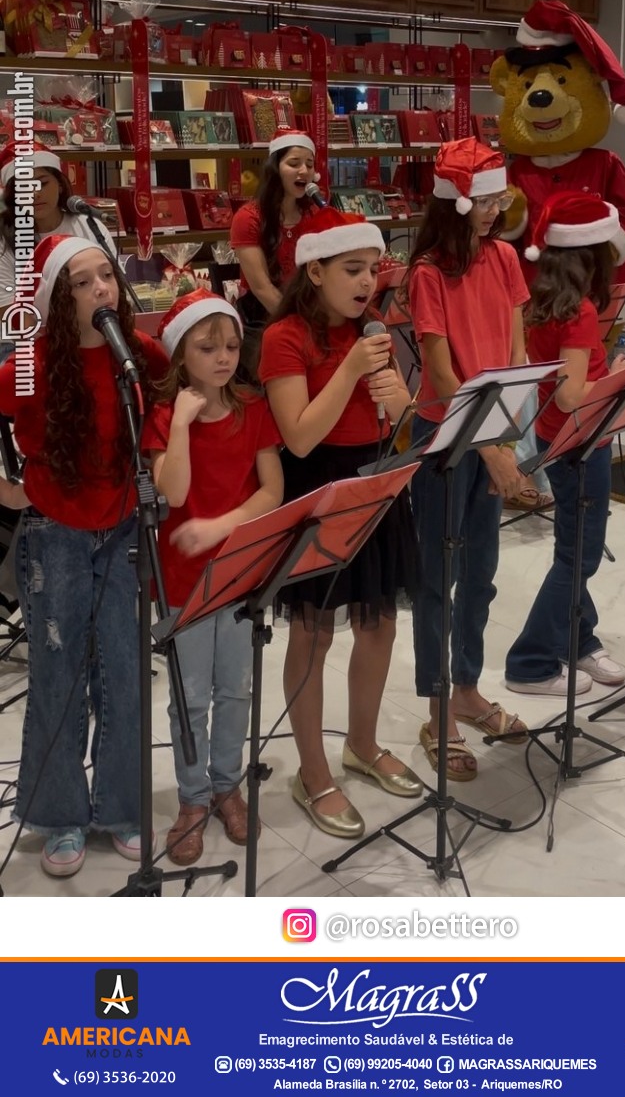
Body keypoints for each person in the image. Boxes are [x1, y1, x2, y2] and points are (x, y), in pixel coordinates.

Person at [0, 233, 167, 877]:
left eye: (108, 276)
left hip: (124, 528)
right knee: (60, 676)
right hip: (55, 532)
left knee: (124, 673)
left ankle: (121, 807)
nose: (102, 289)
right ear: (57, 300)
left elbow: (180, 391)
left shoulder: (138, 356)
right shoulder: (31, 362)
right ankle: (60, 814)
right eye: (83, 281)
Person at [259, 206, 422, 840]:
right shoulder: (285, 337)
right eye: (352, 270)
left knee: (378, 623)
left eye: (373, 271)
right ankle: (313, 771)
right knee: (314, 632)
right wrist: (353, 369)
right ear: (316, 269)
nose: (366, 283)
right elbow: (298, 438)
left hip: (374, 475)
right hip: (316, 484)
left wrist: (403, 405)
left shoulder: (372, 328)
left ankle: (362, 742)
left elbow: (405, 426)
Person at [142, 290, 284, 867]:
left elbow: (272, 491)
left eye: (230, 345)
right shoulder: (161, 416)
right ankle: (193, 798)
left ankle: (228, 785)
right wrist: (179, 421)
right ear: (181, 356)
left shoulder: (253, 409)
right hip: (182, 584)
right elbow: (173, 492)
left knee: (235, 690)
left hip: (239, 575)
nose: (224, 356)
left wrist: (220, 525)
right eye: (208, 348)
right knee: (188, 696)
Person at [406, 138, 531, 783]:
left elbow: (513, 353)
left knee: (480, 574)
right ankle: (437, 710)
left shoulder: (506, 256)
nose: (494, 210)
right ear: (455, 202)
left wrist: (510, 438)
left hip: (493, 435)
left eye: (498, 198)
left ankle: (466, 688)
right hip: (446, 443)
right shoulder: (429, 270)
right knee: (437, 579)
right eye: (483, 200)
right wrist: (489, 448)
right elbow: (440, 369)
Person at [504, 190, 625, 696]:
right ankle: (531, 661)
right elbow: (574, 393)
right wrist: (621, 377)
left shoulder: (542, 300)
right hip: (580, 442)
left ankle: (578, 639)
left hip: (556, 438)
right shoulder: (576, 311)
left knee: (574, 548)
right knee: (581, 556)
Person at [0, 142, 117, 339]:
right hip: (26, 345)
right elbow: (13, 318)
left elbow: (114, 291)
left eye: (43, 183)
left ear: (61, 184)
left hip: (92, 336)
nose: (35, 193)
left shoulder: (90, 227)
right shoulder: (4, 240)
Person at [229, 129, 317, 374]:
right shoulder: (249, 218)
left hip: (308, 312)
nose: (304, 171)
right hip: (263, 319)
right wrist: (299, 325)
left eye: (309, 164)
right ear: (275, 167)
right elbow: (261, 288)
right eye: (294, 163)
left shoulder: (314, 214)